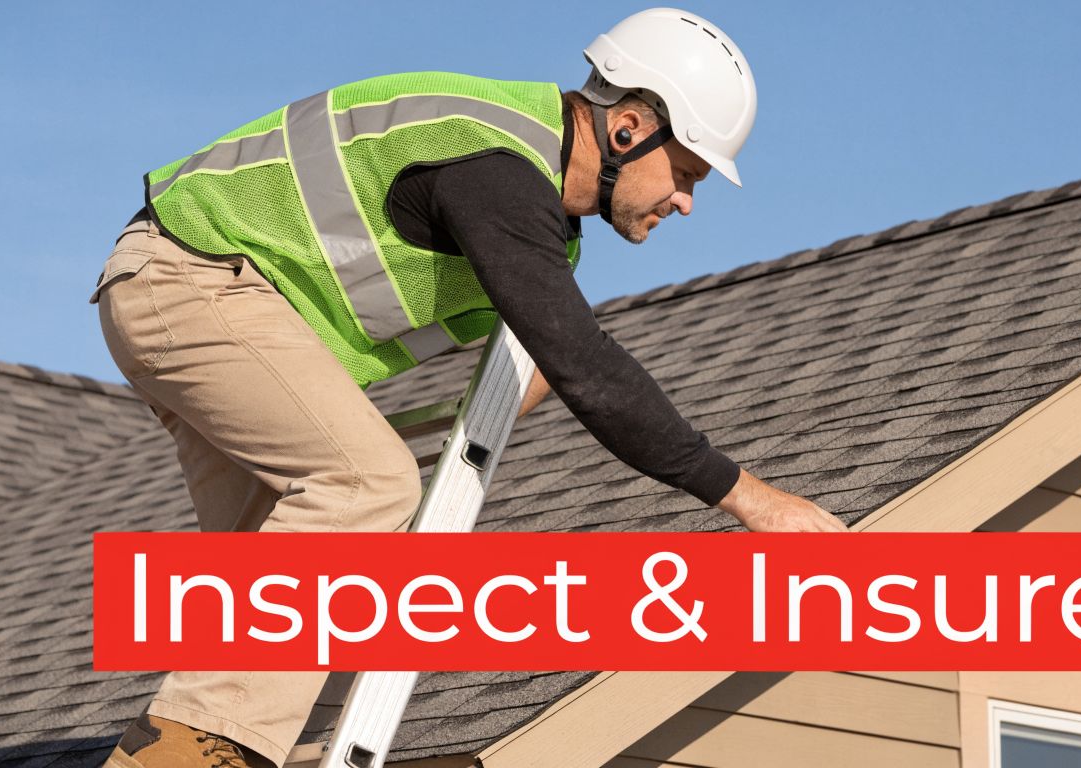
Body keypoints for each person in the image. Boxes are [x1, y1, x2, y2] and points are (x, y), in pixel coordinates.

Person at [95, 8, 845, 768]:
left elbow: (552, 360)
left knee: (287, 571)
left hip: (209, 300)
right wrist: (752, 500)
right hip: (190, 279)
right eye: (686, 174)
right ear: (627, 130)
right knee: (366, 484)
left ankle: (210, 748)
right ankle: (187, 753)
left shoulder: (533, 216)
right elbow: (588, 367)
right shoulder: (500, 170)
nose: (685, 201)